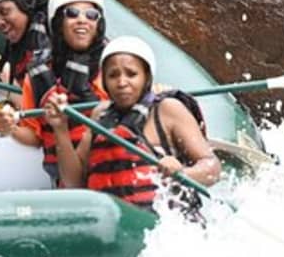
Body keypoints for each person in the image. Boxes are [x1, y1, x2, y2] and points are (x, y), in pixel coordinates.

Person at [44, 36, 221, 215]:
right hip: (115, 223)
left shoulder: (167, 109)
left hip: (166, 224)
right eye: (113, 75)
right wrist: (60, 129)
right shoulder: (100, 115)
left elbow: (212, 167)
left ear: (146, 77)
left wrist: (181, 173)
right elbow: (74, 182)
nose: (122, 83)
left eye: (131, 74)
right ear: (104, 81)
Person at [0, 0, 109, 183]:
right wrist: (10, 127)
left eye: (91, 15)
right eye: (72, 13)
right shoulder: (37, 75)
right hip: (66, 181)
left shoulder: (111, 68)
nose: (82, 20)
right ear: (57, 23)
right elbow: (35, 136)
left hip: (106, 174)